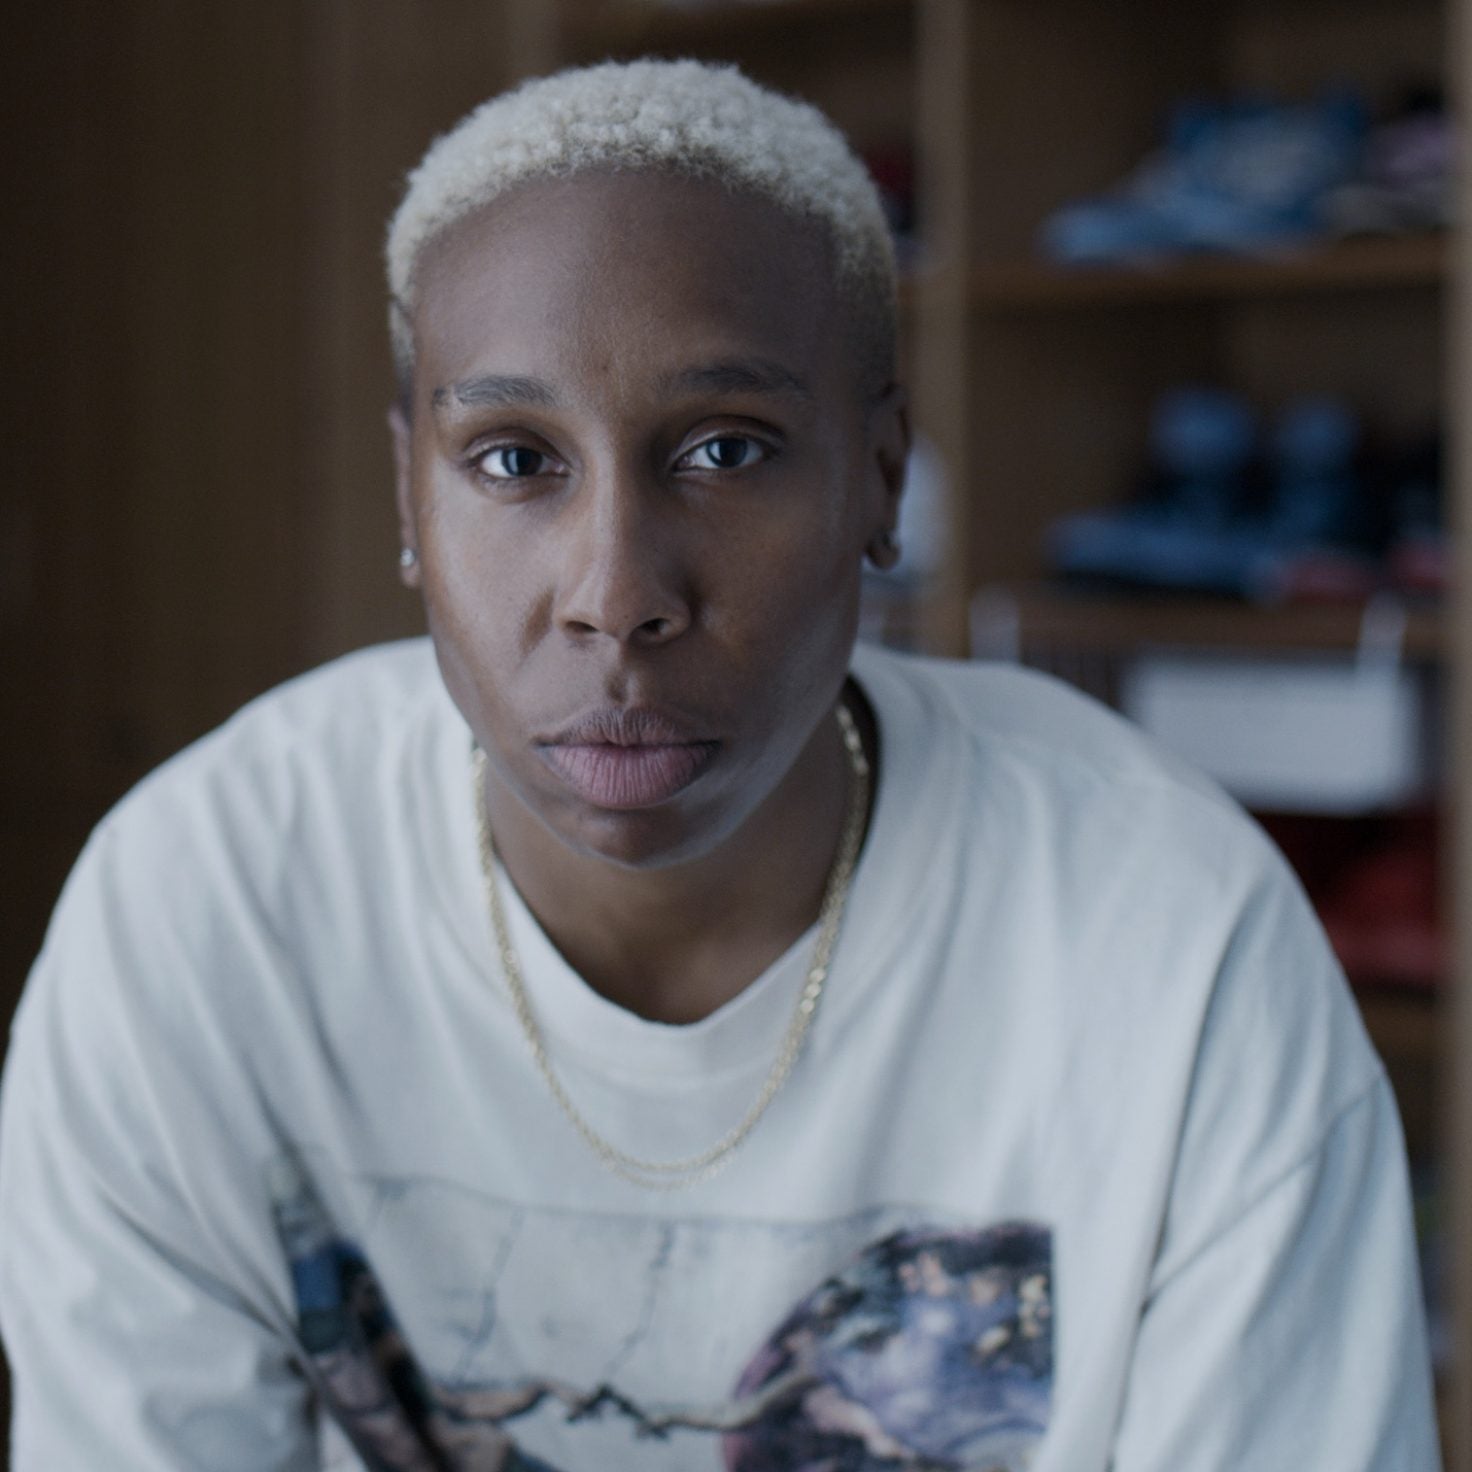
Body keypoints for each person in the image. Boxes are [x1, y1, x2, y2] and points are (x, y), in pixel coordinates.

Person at [0, 58, 1440, 1472]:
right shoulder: (207, 904)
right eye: (512, 460)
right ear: (409, 497)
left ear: (882, 475)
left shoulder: (1172, 937)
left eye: (727, 451)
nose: (615, 593)